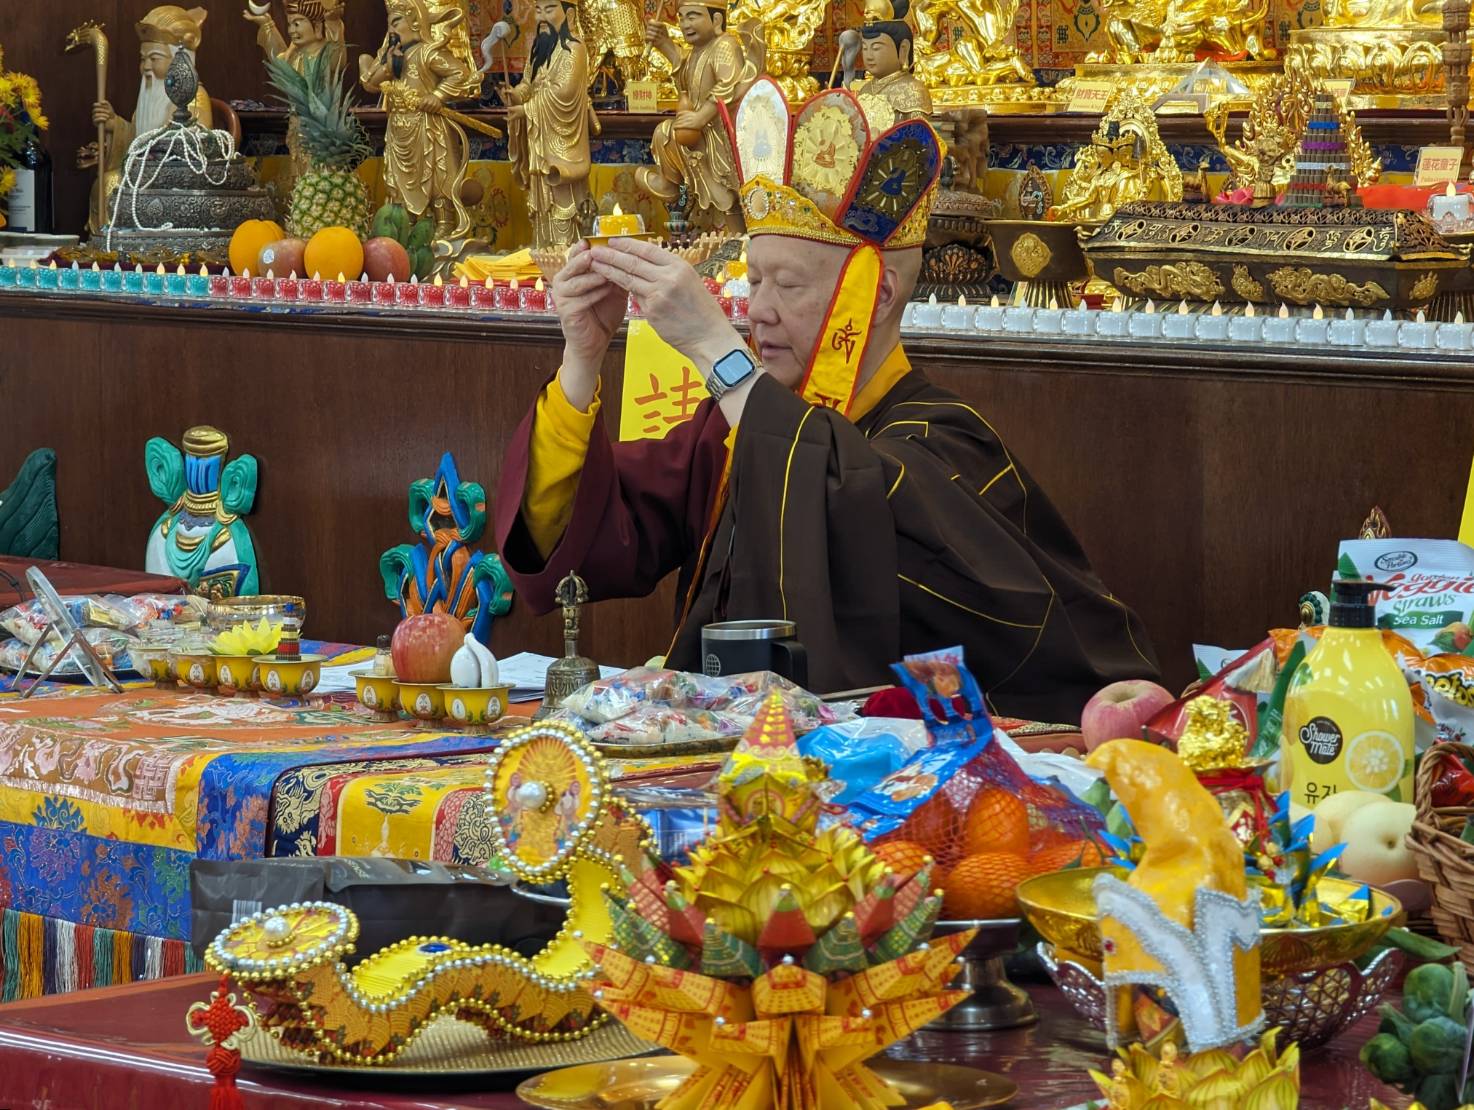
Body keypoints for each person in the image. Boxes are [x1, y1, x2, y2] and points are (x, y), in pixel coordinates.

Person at [495, 80, 1159, 722]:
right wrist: (582, 358)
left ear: (880, 295)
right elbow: (591, 540)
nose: (758, 310)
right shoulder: (738, 429)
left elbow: (846, 490)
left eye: (788, 285)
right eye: (754, 280)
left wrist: (714, 351)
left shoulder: (945, 441)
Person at [81, 6, 214, 231]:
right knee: (107, 183)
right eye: (143, 59)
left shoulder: (194, 97)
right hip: (142, 175)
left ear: (178, 60)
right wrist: (116, 125)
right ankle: (108, 242)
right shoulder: (148, 99)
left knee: (114, 184)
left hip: (174, 182)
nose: (146, 67)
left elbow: (196, 147)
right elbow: (137, 141)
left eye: (155, 58)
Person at [636, 1, 758, 233]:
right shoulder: (696, 52)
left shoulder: (725, 45)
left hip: (722, 133)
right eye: (681, 17)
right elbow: (685, 81)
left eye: (692, 16)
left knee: (726, 191)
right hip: (701, 131)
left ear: (716, 20)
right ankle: (671, 185)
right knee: (664, 132)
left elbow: (729, 86)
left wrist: (701, 117)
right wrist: (665, 44)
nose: (685, 24)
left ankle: (737, 236)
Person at [507, 0, 595, 249]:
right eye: (538, 10)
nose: (542, 17)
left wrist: (527, 109)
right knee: (542, 202)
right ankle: (544, 248)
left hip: (562, 142)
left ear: (569, 14)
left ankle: (567, 251)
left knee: (563, 200)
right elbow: (529, 82)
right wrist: (517, 94)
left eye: (549, 10)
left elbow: (564, 92)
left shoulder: (575, 48)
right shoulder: (539, 48)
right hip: (540, 140)